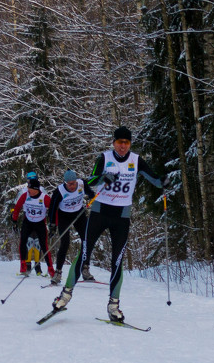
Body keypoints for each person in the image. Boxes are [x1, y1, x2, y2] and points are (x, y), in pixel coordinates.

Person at [51, 126, 163, 322]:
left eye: (126, 143)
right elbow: (89, 180)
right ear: (114, 143)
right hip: (100, 212)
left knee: (117, 260)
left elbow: (154, 179)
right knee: (85, 252)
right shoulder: (104, 158)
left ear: (129, 144)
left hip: (122, 215)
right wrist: (104, 177)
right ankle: (65, 295)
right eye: (119, 142)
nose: (122, 146)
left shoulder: (136, 160)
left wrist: (165, 182)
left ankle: (113, 305)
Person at [49, 169, 89, 285]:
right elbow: (52, 208)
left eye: (74, 183)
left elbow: (91, 190)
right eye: (69, 184)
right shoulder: (59, 191)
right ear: (65, 183)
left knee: (86, 241)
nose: (72, 186)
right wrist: (52, 224)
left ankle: (85, 269)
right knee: (65, 243)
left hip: (79, 214)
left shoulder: (81, 184)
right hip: (64, 216)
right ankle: (58, 273)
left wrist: (91, 198)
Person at [10, 172, 54, 275]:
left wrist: (53, 223)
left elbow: (51, 206)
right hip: (28, 218)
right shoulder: (24, 191)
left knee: (40, 244)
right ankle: (26, 265)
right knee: (27, 242)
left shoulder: (41, 190)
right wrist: (14, 219)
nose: (30, 182)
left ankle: (40, 266)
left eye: (32, 179)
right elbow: (16, 205)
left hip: (40, 221)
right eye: (29, 180)